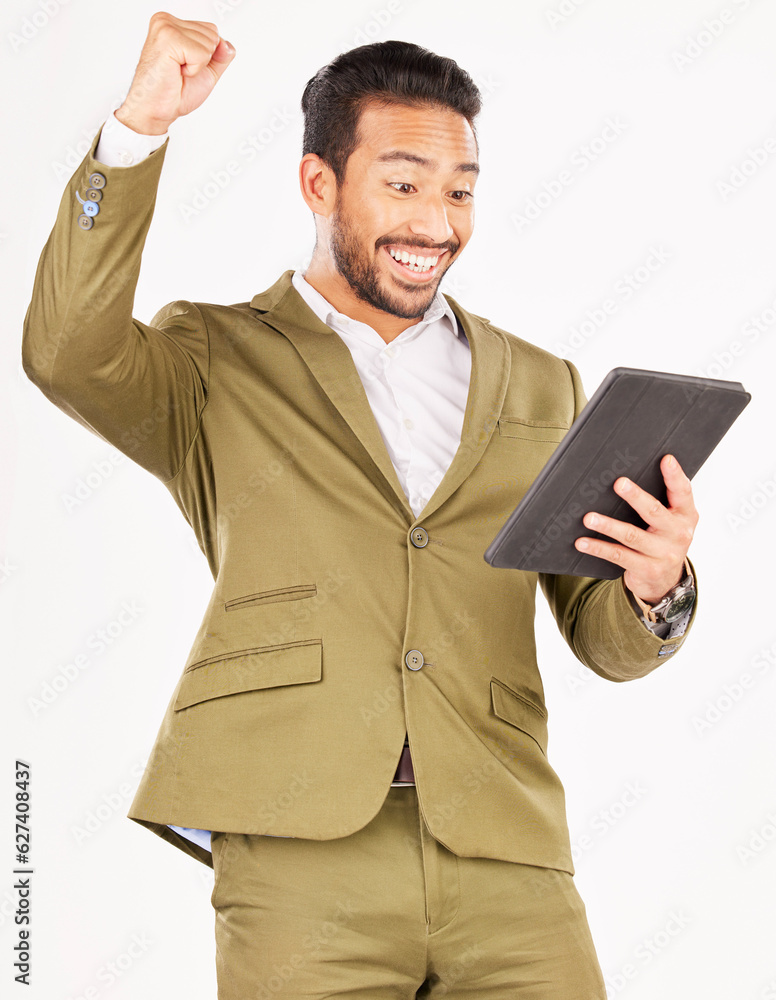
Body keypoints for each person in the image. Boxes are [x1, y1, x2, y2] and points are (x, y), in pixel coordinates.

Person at [22, 12, 699, 999]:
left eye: (459, 191)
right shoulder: (216, 359)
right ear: (318, 183)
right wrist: (135, 134)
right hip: (300, 849)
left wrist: (656, 583)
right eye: (403, 185)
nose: (436, 222)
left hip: (503, 850)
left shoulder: (542, 383)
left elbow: (600, 632)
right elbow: (65, 353)